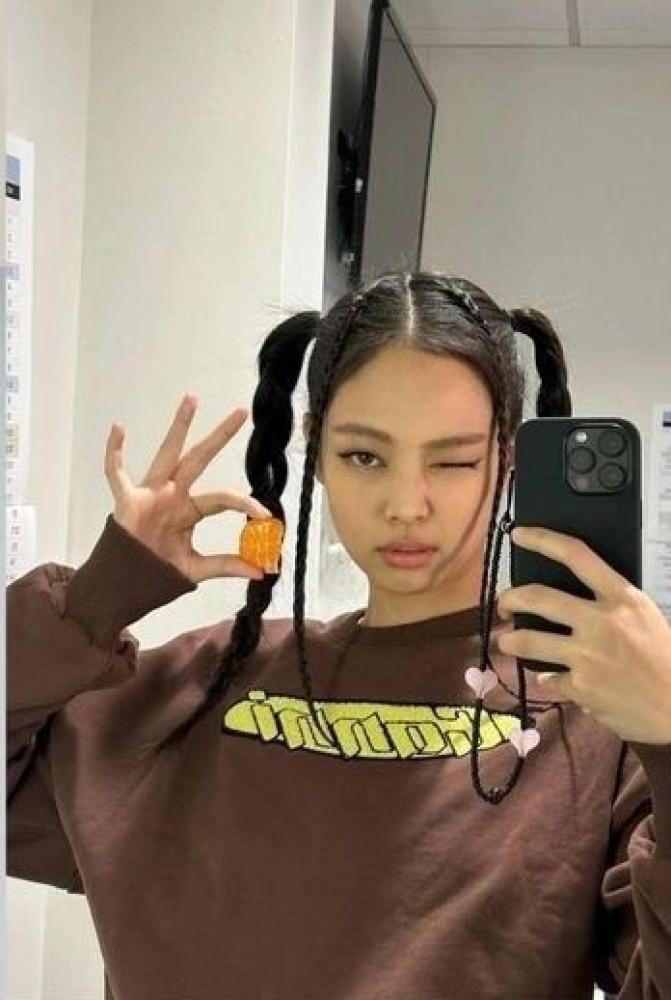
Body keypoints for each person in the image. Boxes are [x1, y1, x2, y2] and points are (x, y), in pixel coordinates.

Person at [7, 270, 671, 1000]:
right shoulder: (202, 686)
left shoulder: (592, 720)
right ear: (316, 453)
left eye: (453, 460)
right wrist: (100, 596)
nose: (406, 504)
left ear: (506, 460)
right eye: (364, 456)